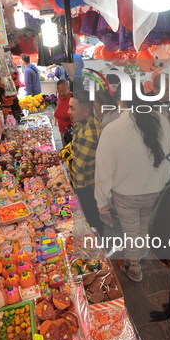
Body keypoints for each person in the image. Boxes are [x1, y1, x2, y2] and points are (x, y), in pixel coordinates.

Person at [95, 83, 170, 282]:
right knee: (144, 226)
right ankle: (137, 257)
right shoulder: (163, 121)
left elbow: (103, 172)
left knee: (131, 231)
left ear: (120, 100)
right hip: (157, 191)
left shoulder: (112, 129)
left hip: (127, 195)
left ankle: (135, 267)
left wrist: (102, 202)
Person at [61, 90, 104, 235]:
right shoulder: (83, 123)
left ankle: (98, 250)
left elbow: (77, 166)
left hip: (86, 187)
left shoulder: (89, 134)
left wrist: (66, 154)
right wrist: (67, 153)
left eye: (72, 108)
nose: (68, 111)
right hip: (82, 183)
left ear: (86, 111)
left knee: (92, 221)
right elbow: (72, 147)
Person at [53, 79, 73, 145]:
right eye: (59, 91)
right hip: (62, 130)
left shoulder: (73, 98)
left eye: (63, 91)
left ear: (68, 88)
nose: (61, 93)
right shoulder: (59, 97)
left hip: (71, 132)